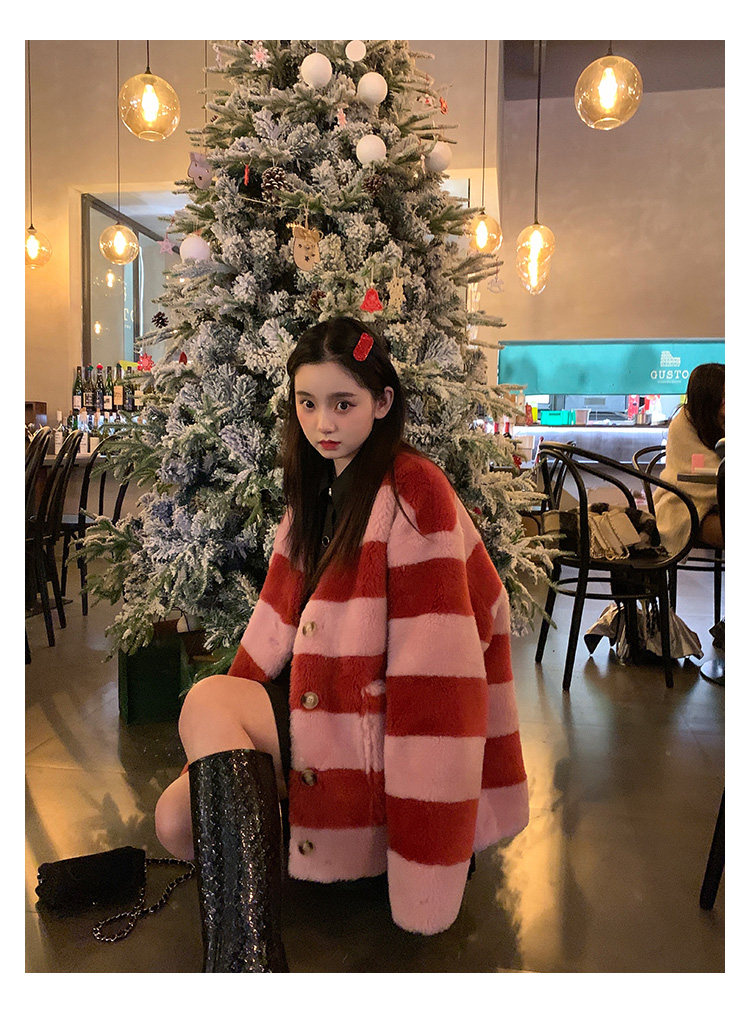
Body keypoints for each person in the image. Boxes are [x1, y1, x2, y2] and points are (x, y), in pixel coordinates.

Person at [154, 316, 529, 972]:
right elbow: (271, 628)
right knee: (175, 822)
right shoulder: (318, 488)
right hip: (314, 708)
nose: (322, 423)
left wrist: (428, 863)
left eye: (343, 403)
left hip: (370, 733)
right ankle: (276, 884)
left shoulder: (415, 494)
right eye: (307, 403)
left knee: (207, 702)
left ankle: (245, 958)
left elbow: (439, 687)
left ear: (382, 403)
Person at [653, 362, 725, 556]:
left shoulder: (721, 420)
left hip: (717, 504)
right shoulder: (684, 424)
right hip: (685, 505)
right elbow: (707, 474)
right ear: (709, 397)